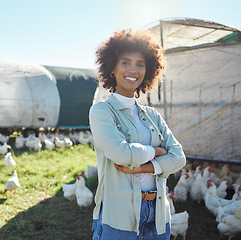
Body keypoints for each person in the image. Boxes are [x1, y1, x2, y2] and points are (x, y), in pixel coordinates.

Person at [90, 29, 186, 239]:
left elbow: (179, 157)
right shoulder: (102, 111)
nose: (133, 69)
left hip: (159, 213)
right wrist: (158, 151)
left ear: (148, 70)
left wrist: (145, 167)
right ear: (112, 67)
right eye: (125, 62)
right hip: (119, 215)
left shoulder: (153, 115)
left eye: (140, 64)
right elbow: (121, 154)